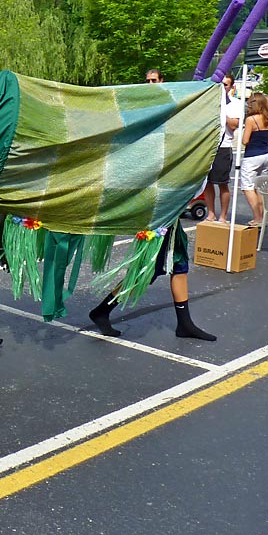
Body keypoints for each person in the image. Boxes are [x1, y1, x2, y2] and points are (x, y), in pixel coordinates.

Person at [87, 68, 216, 342]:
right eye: (147, 81)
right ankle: (103, 310)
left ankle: (183, 323)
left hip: (166, 206)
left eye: (154, 81)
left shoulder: (170, 113)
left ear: (162, 82)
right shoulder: (147, 116)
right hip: (157, 208)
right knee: (156, 267)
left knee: (170, 265)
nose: (150, 85)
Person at [204, 75, 242, 223]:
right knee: (207, 182)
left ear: (231, 87)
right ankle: (211, 213)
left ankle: (223, 216)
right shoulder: (208, 102)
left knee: (222, 183)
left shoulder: (235, 104)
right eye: (220, 85)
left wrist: (222, 111)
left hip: (224, 147)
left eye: (225, 85)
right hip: (208, 146)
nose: (222, 88)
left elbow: (233, 125)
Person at [240, 92, 268, 226]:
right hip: (266, 154)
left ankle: (257, 218)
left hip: (252, 155)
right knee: (259, 186)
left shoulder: (251, 120)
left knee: (247, 187)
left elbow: (245, 140)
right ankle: (262, 217)